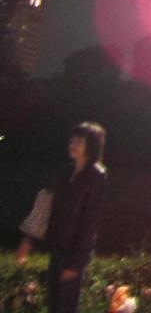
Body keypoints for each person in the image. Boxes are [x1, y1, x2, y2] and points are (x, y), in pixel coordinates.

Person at [15, 123, 108, 313]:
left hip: (73, 252)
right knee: (53, 304)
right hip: (57, 247)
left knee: (65, 307)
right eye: (71, 141)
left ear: (91, 145)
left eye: (79, 141)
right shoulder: (65, 173)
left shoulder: (96, 177)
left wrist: (77, 262)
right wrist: (28, 240)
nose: (72, 145)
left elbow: (90, 223)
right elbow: (45, 204)